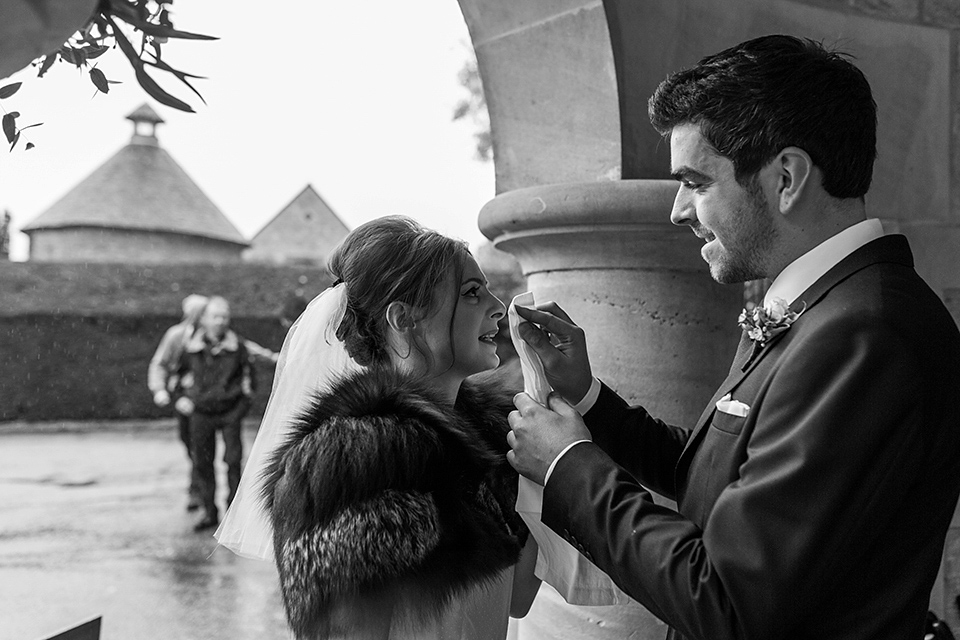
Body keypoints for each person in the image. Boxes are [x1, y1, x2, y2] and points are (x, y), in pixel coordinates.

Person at [506, 35, 960, 640]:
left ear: (787, 177)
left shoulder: (863, 332)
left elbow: (728, 601)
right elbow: (718, 476)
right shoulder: (821, 306)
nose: (677, 211)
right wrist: (588, 398)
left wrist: (568, 466)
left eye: (696, 182)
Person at [215, 216, 540, 639]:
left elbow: (519, 598)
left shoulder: (494, 441)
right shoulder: (344, 469)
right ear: (404, 319)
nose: (499, 306)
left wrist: (542, 456)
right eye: (472, 294)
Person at [177, 296, 256, 531]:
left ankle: (233, 512)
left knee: (232, 461)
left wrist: (240, 409)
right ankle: (209, 512)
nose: (220, 321)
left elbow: (250, 381)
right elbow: (178, 376)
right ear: (204, 320)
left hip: (230, 412)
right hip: (201, 414)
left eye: (224, 317)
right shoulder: (190, 348)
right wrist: (180, 397)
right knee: (202, 462)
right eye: (215, 317)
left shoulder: (238, 347)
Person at [148, 293, 209, 511]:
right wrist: (159, 389)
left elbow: (243, 348)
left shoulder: (213, 335)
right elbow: (160, 363)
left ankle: (198, 490)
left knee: (199, 443)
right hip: (183, 397)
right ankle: (200, 483)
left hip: (204, 398)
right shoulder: (176, 336)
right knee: (189, 442)